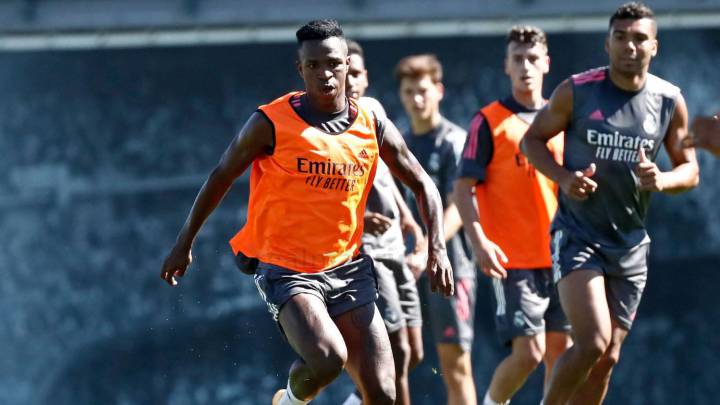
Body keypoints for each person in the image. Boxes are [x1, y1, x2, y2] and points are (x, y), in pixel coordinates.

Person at [159, 19, 454, 405]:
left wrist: (437, 248)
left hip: (347, 269)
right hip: (287, 269)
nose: (324, 74)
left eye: (332, 64)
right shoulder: (270, 123)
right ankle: (289, 402)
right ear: (301, 69)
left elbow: (423, 184)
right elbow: (221, 176)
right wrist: (184, 242)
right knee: (329, 359)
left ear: (347, 65)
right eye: (313, 65)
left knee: (384, 393)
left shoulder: (371, 124)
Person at [521, 3, 700, 404]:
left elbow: (690, 170)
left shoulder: (669, 100)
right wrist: (564, 178)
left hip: (630, 245)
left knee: (607, 358)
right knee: (593, 341)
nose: (629, 46)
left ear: (654, 46)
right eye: (620, 37)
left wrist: (662, 179)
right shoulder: (576, 91)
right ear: (607, 44)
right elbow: (531, 141)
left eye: (639, 38)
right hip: (578, 234)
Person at [453, 25, 571, 405]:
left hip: (562, 258)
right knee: (529, 353)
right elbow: (462, 188)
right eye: (517, 59)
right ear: (506, 66)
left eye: (533, 59)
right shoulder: (488, 121)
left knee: (562, 354)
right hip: (512, 261)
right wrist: (480, 243)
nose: (526, 67)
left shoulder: (562, 120)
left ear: (546, 63)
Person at [341, 39, 426, 405]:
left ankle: (354, 402)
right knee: (398, 352)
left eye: (356, 73)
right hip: (366, 251)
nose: (350, 81)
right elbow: (324, 193)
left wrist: (409, 219)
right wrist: (359, 218)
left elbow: (387, 173)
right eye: (344, 73)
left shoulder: (373, 112)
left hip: (394, 244)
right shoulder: (330, 129)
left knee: (415, 352)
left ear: (366, 77)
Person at [395, 54, 478, 405]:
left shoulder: (454, 141)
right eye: (409, 91)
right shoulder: (397, 144)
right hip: (402, 269)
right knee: (394, 362)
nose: (417, 99)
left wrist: (427, 249)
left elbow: (459, 207)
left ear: (438, 91)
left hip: (450, 270)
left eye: (423, 90)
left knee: (455, 366)